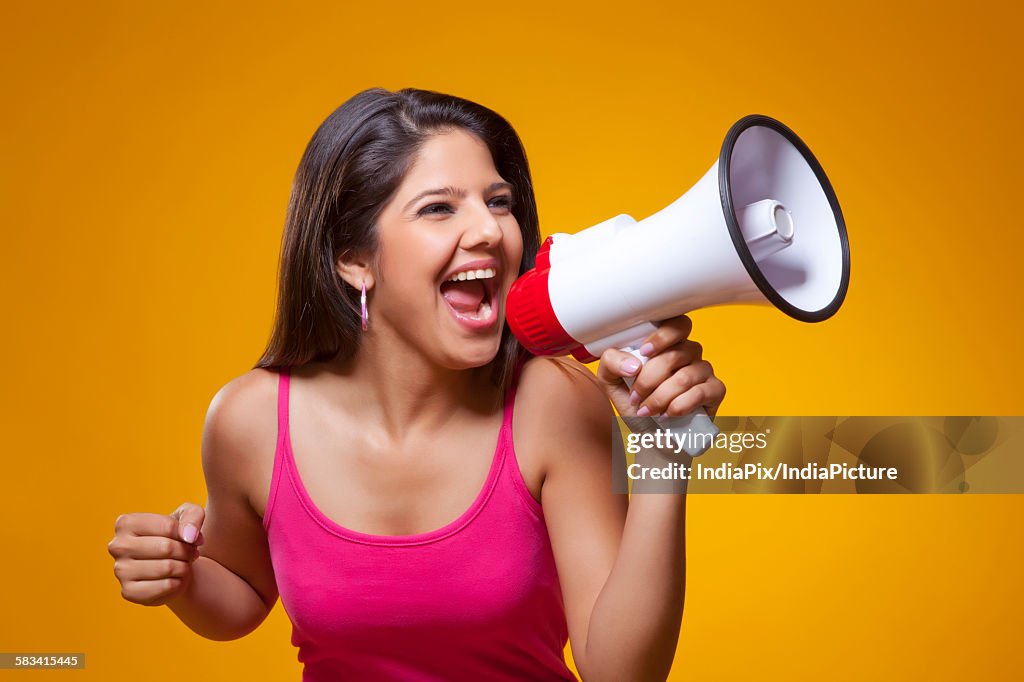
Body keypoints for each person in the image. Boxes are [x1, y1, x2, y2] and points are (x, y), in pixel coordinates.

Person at [107, 88, 726, 681]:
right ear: (354, 258)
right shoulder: (249, 419)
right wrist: (181, 577)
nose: (489, 230)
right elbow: (241, 592)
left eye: (499, 201)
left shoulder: (554, 405)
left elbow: (621, 672)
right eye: (439, 207)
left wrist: (662, 461)